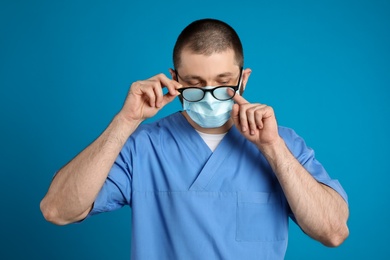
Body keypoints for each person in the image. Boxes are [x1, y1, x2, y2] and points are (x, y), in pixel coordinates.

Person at [40, 18, 349, 259]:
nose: (210, 95)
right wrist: (125, 122)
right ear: (174, 81)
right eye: (195, 83)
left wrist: (272, 149)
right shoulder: (143, 147)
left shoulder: (283, 143)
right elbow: (57, 210)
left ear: (244, 79)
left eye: (223, 82)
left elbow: (333, 232)